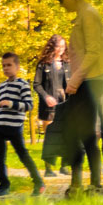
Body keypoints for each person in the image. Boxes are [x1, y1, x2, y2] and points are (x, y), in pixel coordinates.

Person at [57, 0, 103, 196]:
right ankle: (77, 184)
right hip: (84, 81)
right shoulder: (82, 15)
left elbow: (93, 52)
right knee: (74, 133)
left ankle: (94, 185)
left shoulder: (89, 15)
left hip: (91, 82)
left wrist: (74, 81)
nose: (60, 4)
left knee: (85, 133)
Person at [0, 52, 44, 197]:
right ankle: (3, 186)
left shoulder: (23, 85)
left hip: (14, 127)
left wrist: (11, 103)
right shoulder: (1, 87)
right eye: (3, 66)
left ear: (17, 66)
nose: (6, 68)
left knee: (23, 155)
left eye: (9, 65)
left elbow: (29, 105)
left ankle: (38, 182)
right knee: (0, 157)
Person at [34, 35, 69, 177]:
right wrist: (46, 96)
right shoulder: (43, 64)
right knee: (50, 136)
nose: (61, 49)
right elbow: (36, 84)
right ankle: (48, 168)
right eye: (58, 46)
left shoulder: (68, 63)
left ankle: (64, 166)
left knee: (67, 135)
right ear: (52, 46)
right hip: (48, 106)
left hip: (66, 104)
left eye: (63, 46)